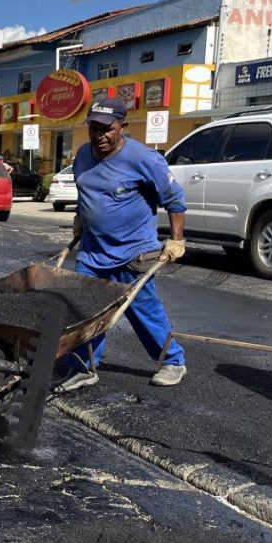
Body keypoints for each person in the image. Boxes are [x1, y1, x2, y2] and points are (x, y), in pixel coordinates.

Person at [55, 97, 188, 392]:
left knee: (143, 311)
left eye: (107, 129)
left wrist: (177, 240)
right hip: (92, 251)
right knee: (87, 311)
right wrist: (80, 217)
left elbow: (175, 200)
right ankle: (84, 366)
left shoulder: (145, 159)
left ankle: (173, 361)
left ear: (122, 127)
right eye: (94, 128)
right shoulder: (83, 156)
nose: (99, 135)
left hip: (133, 251)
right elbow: (86, 193)